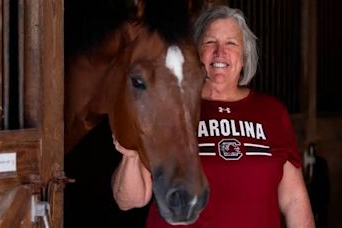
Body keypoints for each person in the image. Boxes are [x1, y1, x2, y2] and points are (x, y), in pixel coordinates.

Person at [111, 5, 315, 228]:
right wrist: (130, 156)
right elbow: (130, 201)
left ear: (244, 56)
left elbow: (294, 199)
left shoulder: (272, 112)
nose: (220, 52)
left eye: (231, 43)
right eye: (210, 42)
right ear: (194, 52)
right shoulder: (169, 105)